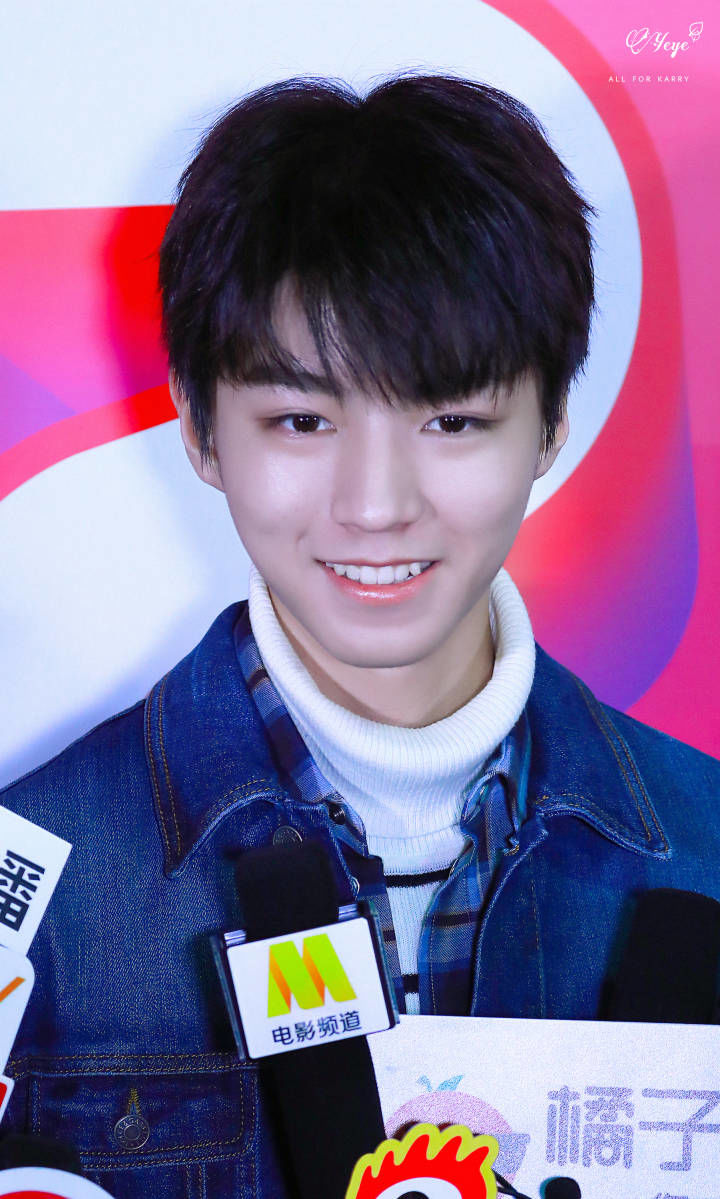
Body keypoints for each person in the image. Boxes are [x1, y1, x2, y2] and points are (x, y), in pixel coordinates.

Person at [1, 73, 719, 1197]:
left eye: (452, 418)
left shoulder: (705, 838)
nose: (376, 504)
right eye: (302, 418)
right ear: (199, 425)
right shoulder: (39, 886)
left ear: (550, 425)